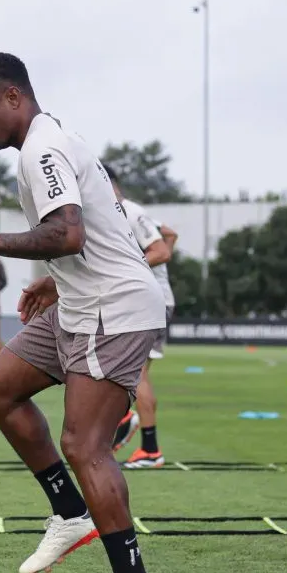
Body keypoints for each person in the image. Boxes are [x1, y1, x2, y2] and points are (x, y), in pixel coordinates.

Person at [0, 52, 166, 573]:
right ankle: (69, 511)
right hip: (82, 302)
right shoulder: (47, 141)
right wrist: (53, 282)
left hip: (110, 311)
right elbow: (88, 239)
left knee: (85, 445)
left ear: (13, 98)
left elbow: (67, 231)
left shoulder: (42, 148)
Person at [103, 165, 178, 468]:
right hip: (144, 300)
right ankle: (126, 421)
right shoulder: (120, 211)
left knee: (138, 375)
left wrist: (136, 271)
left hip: (152, 303)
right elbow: (171, 234)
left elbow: (162, 251)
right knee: (129, 371)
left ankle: (149, 448)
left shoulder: (129, 211)